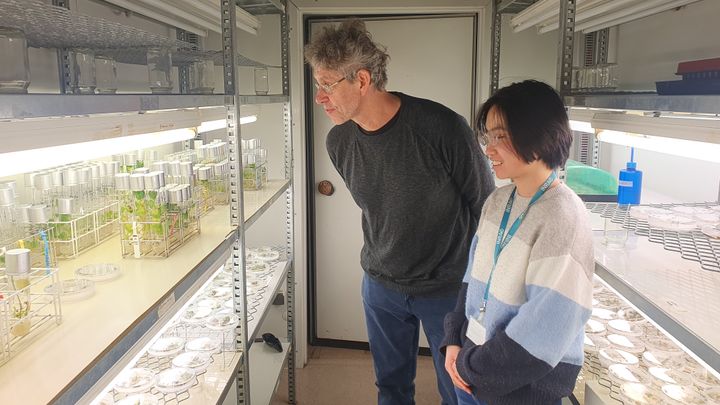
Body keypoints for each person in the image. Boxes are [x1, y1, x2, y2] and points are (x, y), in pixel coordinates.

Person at [304, 19, 496, 405]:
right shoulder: (339, 141)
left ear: (361, 80)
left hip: (447, 289)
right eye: (317, 85)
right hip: (380, 287)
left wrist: (480, 286)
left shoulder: (441, 128)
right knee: (390, 388)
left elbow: (485, 205)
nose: (319, 97)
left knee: (459, 389)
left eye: (327, 85)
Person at [441, 80, 594, 405]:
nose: (488, 149)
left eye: (500, 136)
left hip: (520, 389)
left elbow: (544, 329)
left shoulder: (562, 217)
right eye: (488, 136)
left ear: (538, 137)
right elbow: (471, 279)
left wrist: (470, 367)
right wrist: (455, 340)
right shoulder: (499, 200)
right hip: (474, 367)